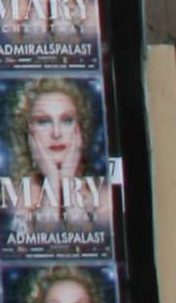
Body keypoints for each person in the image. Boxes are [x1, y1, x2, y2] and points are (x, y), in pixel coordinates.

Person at [6, 78, 109, 234]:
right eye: (43, 121)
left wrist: (69, 181)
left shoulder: (103, 196)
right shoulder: (12, 196)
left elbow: (83, 242)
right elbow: (45, 242)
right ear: (27, 131)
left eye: (67, 120)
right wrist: (52, 180)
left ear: (79, 128)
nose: (56, 133)